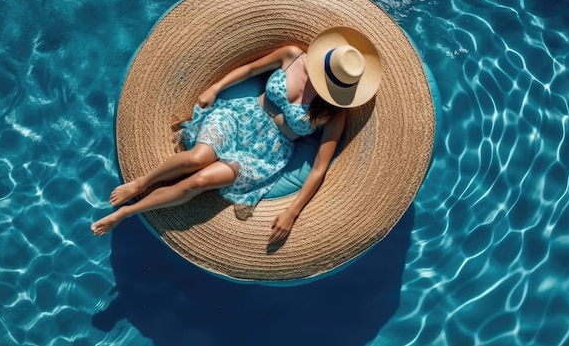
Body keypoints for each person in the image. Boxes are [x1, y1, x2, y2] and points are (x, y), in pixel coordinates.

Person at [91, 26, 382, 243]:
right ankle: (143, 182)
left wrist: (293, 211)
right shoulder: (293, 57)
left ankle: (126, 213)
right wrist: (215, 88)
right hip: (241, 117)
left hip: (266, 153)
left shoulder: (334, 112)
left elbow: (319, 168)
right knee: (198, 157)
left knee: (200, 181)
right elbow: (249, 69)